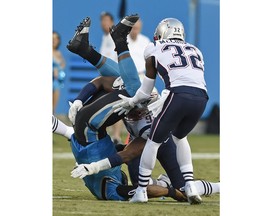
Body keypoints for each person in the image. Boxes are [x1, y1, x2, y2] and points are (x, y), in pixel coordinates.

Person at [66, 14, 211, 204]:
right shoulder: (146, 107)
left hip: (150, 135)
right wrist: (78, 101)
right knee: (181, 188)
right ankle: (105, 45)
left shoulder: (148, 131)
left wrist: (94, 167)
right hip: (158, 117)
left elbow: (127, 154)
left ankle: (89, 49)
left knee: (175, 186)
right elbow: (104, 82)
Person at [113, 18, 209, 204]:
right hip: (202, 98)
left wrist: (132, 101)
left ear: (162, 32)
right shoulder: (195, 50)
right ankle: (189, 185)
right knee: (180, 137)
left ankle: (141, 191)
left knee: (153, 142)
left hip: (178, 94)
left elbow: (145, 91)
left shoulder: (154, 47)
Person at [52, 115, 186, 201]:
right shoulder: (107, 190)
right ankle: (164, 182)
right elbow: (144, 188)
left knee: (75, 130)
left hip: (94, 155)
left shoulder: (114, 191)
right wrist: (170, 191)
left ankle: (164, 183)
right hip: (84, 157)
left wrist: (170, 193)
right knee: (69, 132)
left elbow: (144, 189)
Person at [99, 11, 125, 144]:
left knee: (117, 106)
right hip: (106, 77)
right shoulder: (105, 37)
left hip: (115, 76)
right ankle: (109, 135)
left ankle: (116, 136)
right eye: (102, 21)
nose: (104, 23)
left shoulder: (113, 36)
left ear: (112, 22)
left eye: (106, 20)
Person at [53, 31, 66, 114]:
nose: (53, 41)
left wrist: (58, 70)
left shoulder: (58, 53)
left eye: (55, 39)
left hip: (56, 84)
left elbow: (63, 64)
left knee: (53, 109)